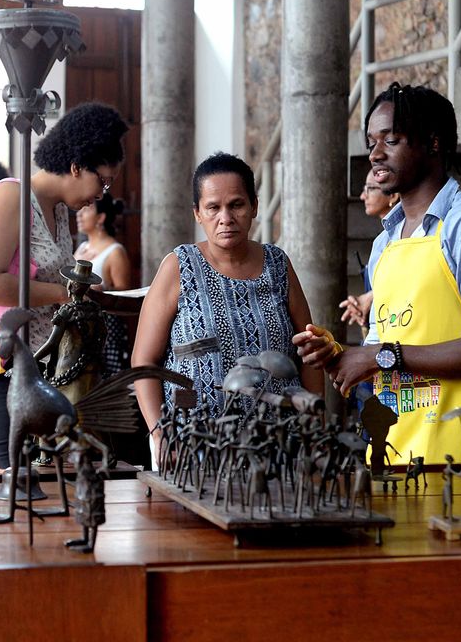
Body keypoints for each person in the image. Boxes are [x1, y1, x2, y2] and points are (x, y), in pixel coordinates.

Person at [295, 82, 461, 473]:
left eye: (392, 139)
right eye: (372, 142)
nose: (375, 154)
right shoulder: (385, 244)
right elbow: (381, 352)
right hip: (393, 453)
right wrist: (340, 356)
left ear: (433, 144)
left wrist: (379, 356)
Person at [0, 102, 128, 470]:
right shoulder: (12, 195)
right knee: (22, 493)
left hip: (43, 374)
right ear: (77, 165)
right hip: (1, 376)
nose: (103, 193)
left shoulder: (61, 211)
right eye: (103, 180)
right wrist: (68, 294)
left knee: (47, 495)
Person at [132, 152, 320, 458]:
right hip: (194, 446)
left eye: (236, 205)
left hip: (281, 446)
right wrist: (160, 433)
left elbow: (309, 352)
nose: (226, 218)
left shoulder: (278, 264)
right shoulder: (179, 266)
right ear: (197, 213)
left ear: (254, 206)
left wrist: (313, 428)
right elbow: (144, 362)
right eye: (213, 207)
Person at [75, 194, 131, 376]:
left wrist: (101, 292)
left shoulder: (115, 252)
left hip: (105, 329)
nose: (79, 214)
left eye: (87, 209)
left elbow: (126, 296)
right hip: (78, 326)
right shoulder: (82, 247)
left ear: (101, 217)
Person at [339, 169, 400, 329]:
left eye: (370, 189)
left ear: (393, 196)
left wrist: (371, 297)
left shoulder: (407, 237)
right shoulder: (381, 240)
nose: (362, 196)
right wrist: (363, 303)